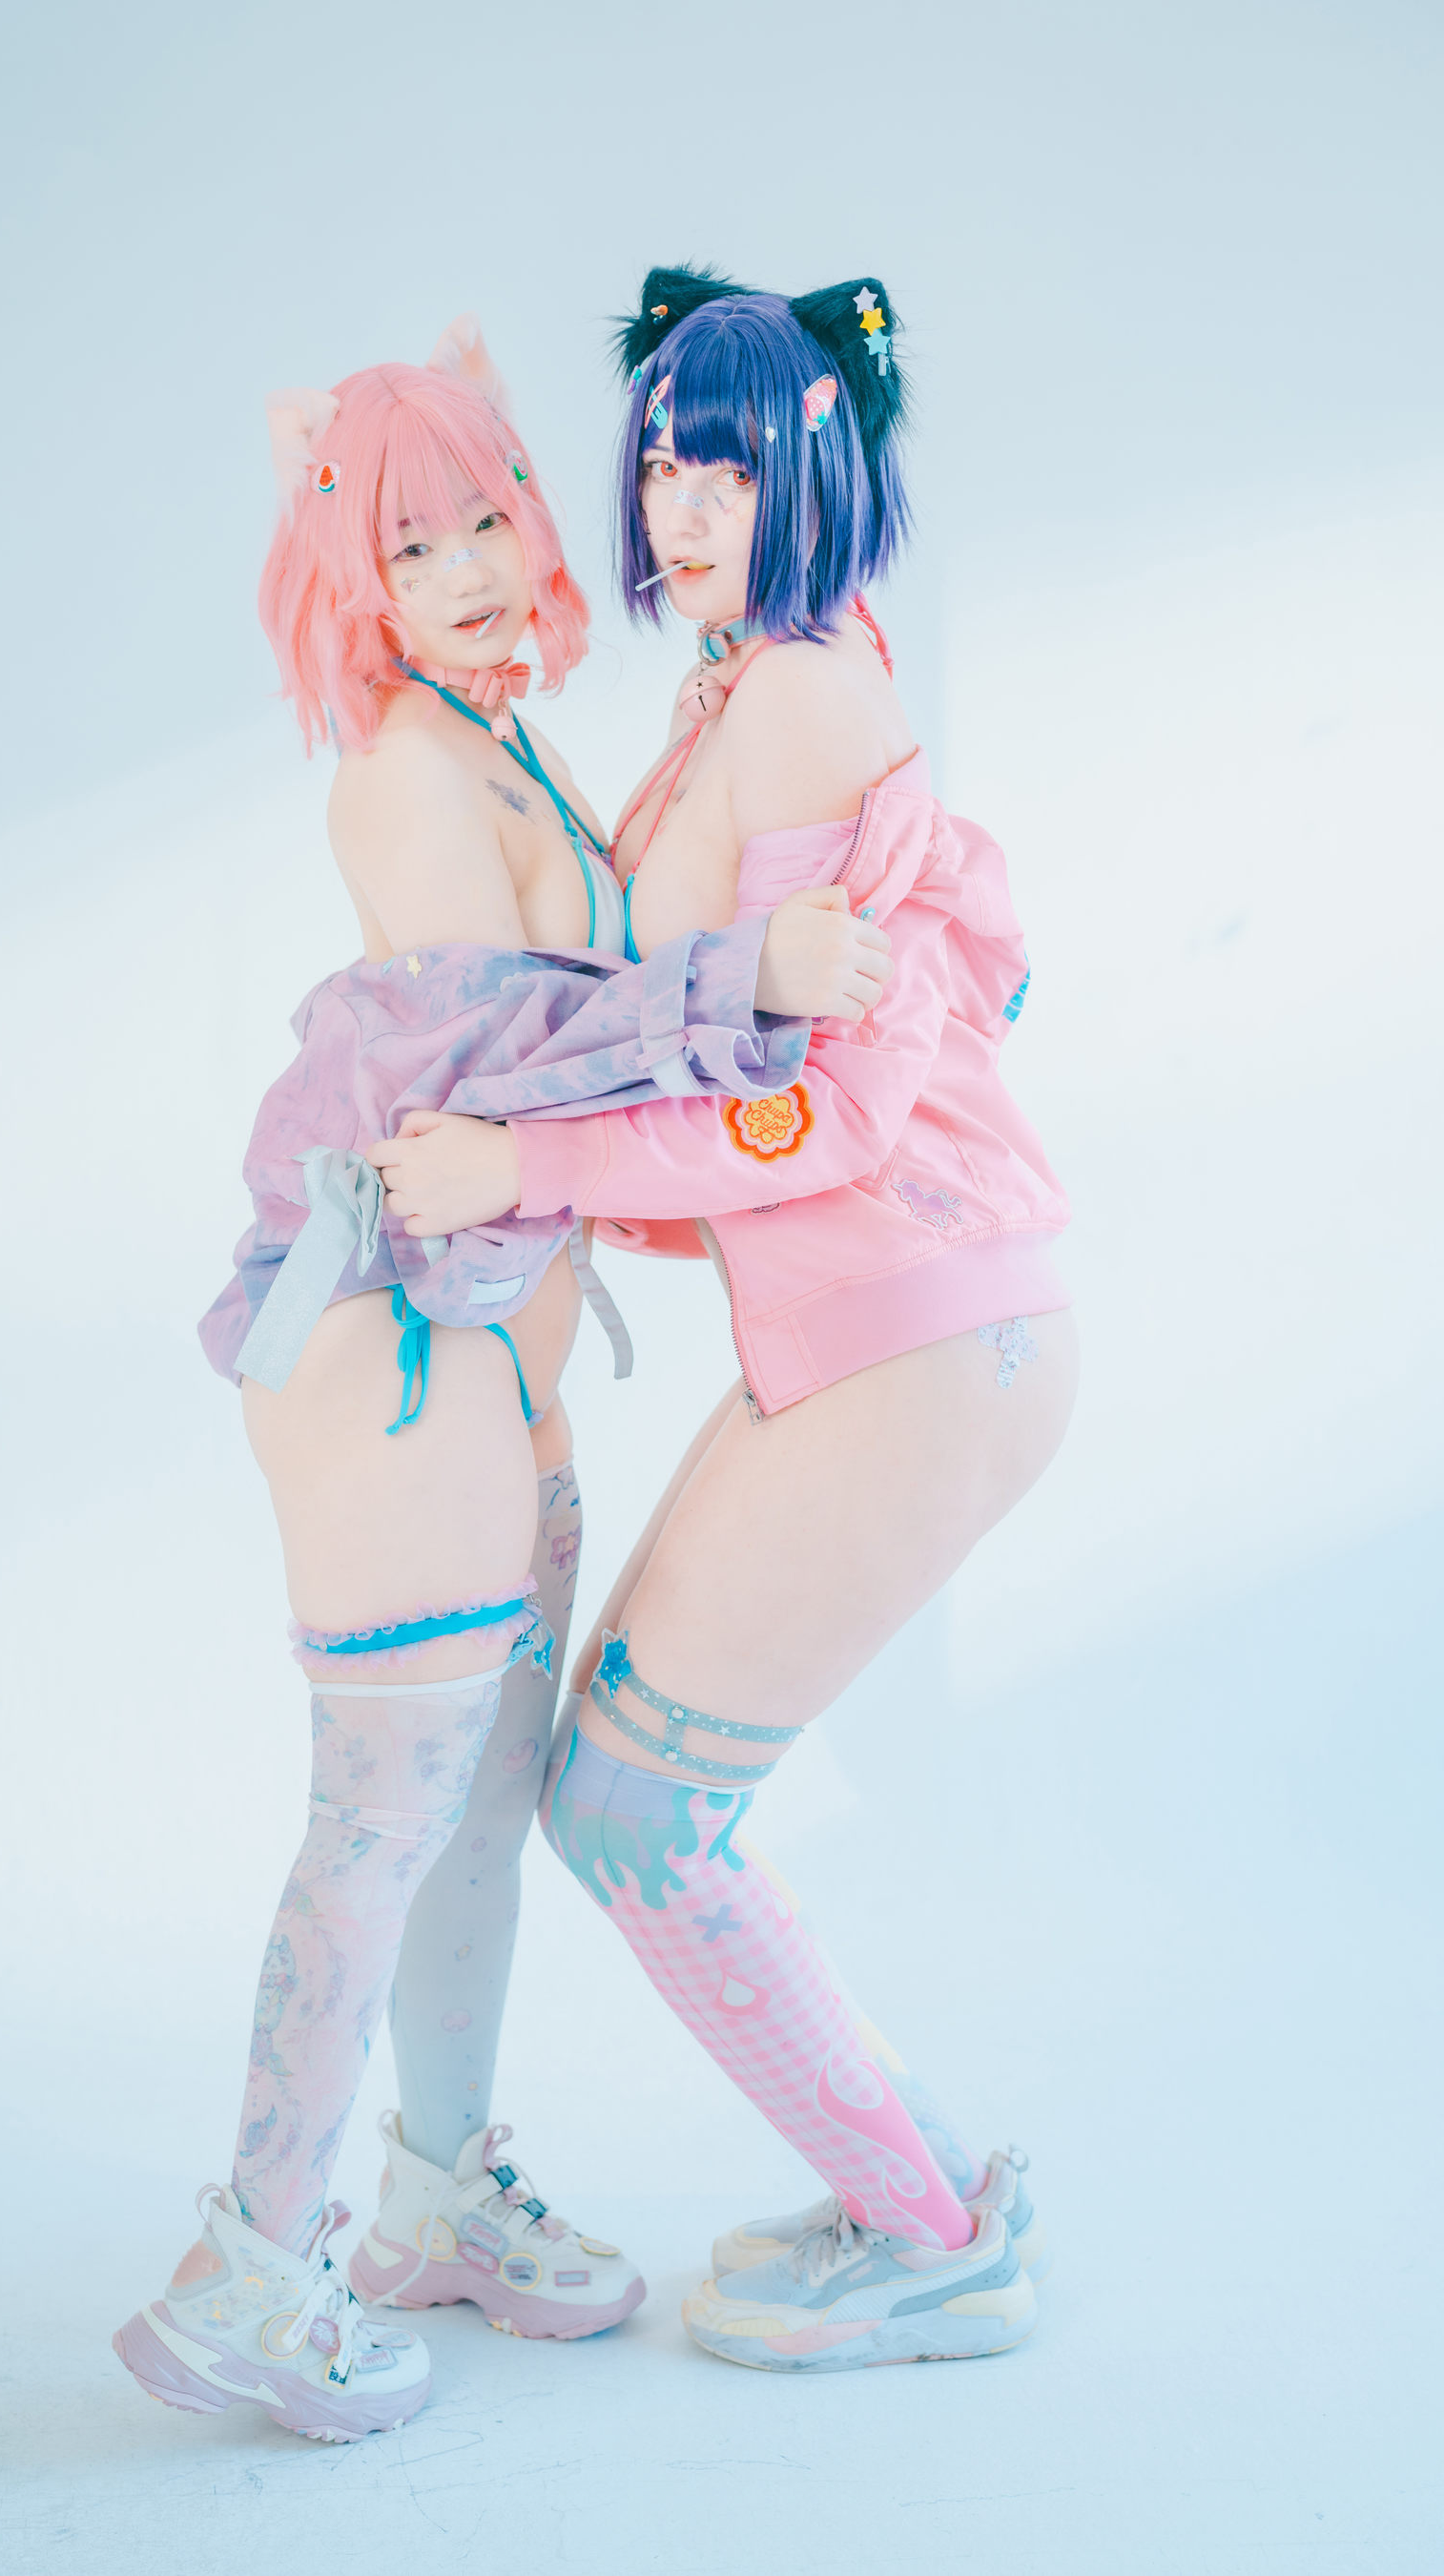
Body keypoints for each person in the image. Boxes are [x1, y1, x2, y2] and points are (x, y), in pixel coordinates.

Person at [113, 320, 888, 2439]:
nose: (461, 569)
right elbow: (508, 1068)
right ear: (342, 578)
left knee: (469, 1818)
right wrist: (750, 974)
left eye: (485, 518)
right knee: (380, 1821)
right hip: (397, 1358)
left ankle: (436, 2194)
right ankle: (248, 2274)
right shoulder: (403, 769)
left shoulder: (503, 744)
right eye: (408, 543)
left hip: (490, 1370)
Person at [366, 267, 1079, 2376]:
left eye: (733, 468)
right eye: (664, 461)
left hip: (920, 1326)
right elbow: (727, 1020)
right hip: (877, 1328)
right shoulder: (756, 679)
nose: (681, 506)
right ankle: (920, 2185)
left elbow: (813, 1110)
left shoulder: (793, 698)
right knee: (619, 1789)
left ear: (817, 478)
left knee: (632, 1808)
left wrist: (528, 1167)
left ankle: (929, 2232)